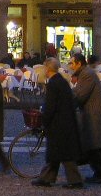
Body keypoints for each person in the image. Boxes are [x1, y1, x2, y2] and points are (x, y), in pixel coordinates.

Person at [31, 57, 84, 188]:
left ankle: (75, 181)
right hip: (65, 121)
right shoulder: (61, 81)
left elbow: (51, 106)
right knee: (58, 153)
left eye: (44, 67)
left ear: (48, 69)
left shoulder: (53, 83)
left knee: (63, 154)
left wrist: (45, 119)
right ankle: (47, 178)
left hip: (59, 123)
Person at [70, 52, 101, 183]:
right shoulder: (84, 73)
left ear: (79, 63)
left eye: (72, 63)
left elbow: (81, 95)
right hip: (89, 114)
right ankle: (99, 172)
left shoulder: (87, 74)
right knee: (90, 144)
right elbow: (77, 91)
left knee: (94, 145)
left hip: (94, 114)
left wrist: (68, 105)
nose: (70, 66)